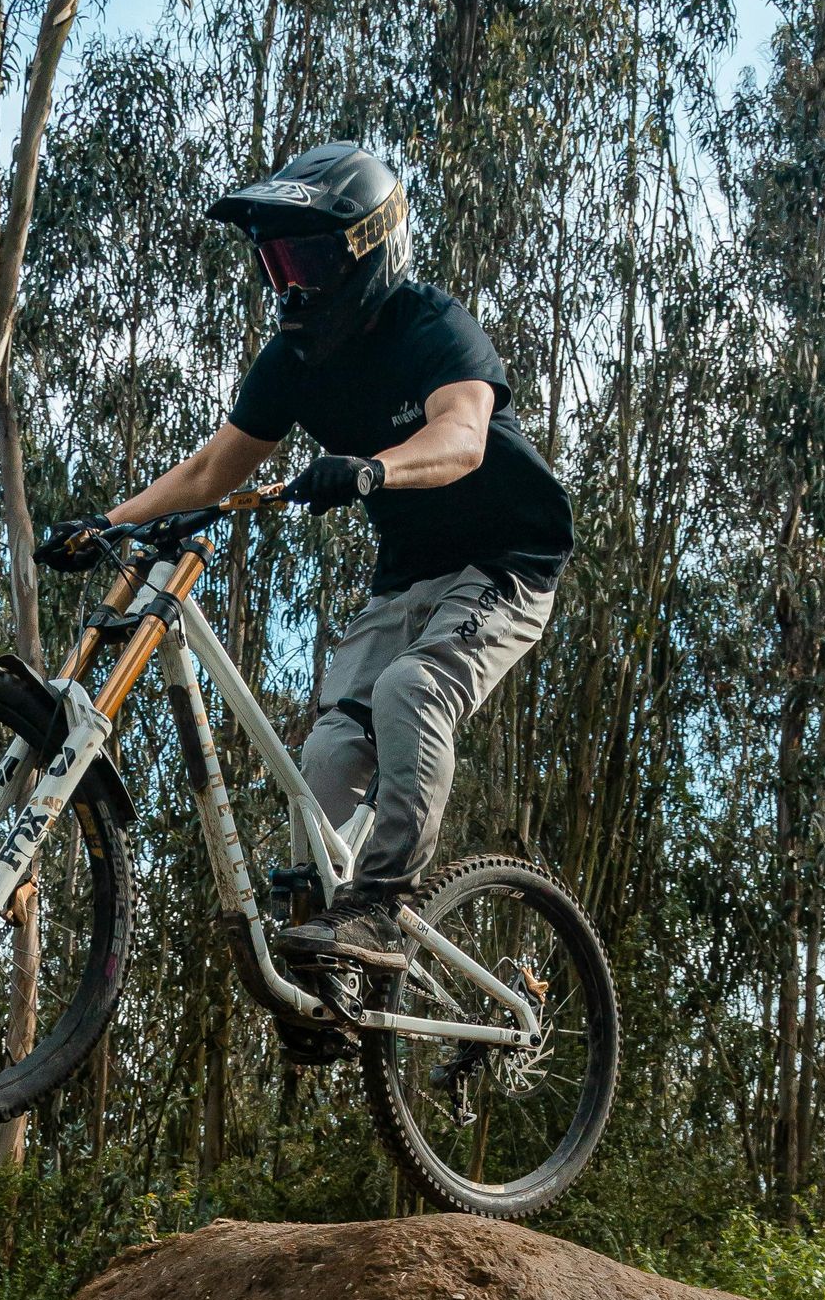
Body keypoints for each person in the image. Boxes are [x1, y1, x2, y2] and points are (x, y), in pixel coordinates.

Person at [102, 140, 573, 970]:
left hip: (506, 562)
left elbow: (463, 437)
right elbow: (212, 471)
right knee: (325, 750)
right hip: (409, 577)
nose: (295, 283)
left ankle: (384, 909)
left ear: (369, 247)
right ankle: (328, 953)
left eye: (311, 256)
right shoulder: (294, 361)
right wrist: (107, 523)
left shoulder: (430, 325)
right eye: (279, 261)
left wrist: (372, 468)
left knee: (409, 692)